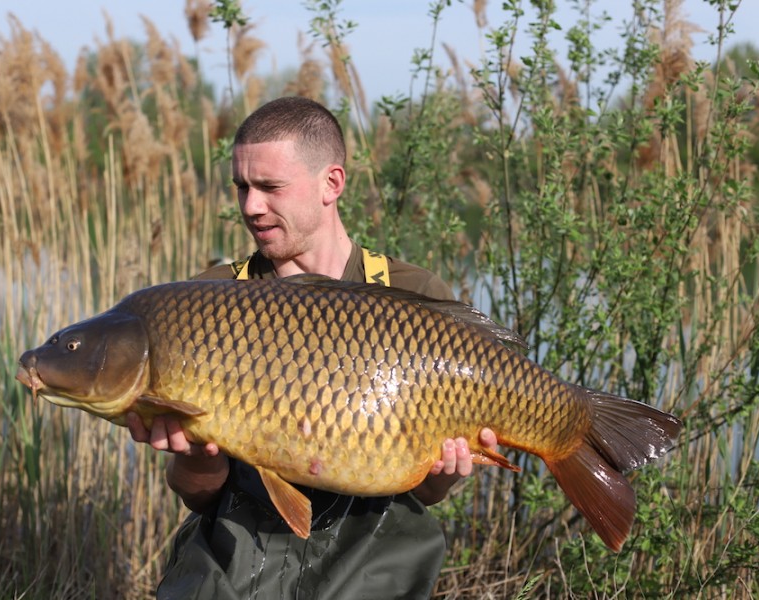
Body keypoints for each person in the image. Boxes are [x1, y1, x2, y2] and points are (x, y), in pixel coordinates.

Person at [127, 96, 499, 599]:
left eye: (270, 187)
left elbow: (424, 493)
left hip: (371, 571)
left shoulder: (413, 295)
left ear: (332, 183)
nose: (251, 206)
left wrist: (446, 471)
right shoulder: (212, 298)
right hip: (237, 568)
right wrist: (196, 457)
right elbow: (199, 494)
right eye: (242, 187)